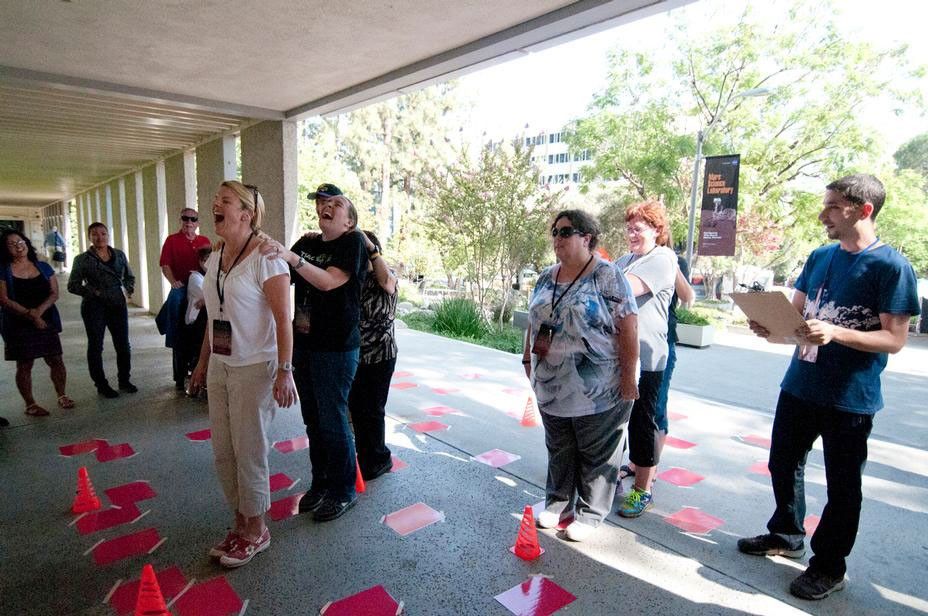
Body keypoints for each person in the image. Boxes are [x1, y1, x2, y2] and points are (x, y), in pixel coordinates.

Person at [737, 174, 920, 600]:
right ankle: (785, 533)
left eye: (833, 206)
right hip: (799, 384)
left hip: (850, 398)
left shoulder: (893, 267)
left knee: (843, 486)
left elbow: (894, 340)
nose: (823, 216)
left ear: (864, 210)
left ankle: (829, 566)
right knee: (782, 464)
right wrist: (771, 327)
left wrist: (836, 333)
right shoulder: (820, 256)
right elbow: (797, 318)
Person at [188, 181, 295, 568]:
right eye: (215, 199)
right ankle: (239, 524)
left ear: (246, 214)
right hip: (221, 364)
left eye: (225, 201)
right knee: (224, 451)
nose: (215, 205)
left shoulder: (267, 258)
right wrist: (202, 364)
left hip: (254, 366)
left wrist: (285, 370)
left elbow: (284, 319)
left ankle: (257, 530)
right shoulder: (216, 255)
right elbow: (212, 318)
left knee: (250, 451)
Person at [524, 209, 639, 542]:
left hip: (598, 386)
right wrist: (526, 359)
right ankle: (558, 503)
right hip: (551, 383)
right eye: (554, 232)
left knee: (596, 450)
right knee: (559, 447)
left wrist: (628, 379)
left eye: (565, 232)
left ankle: (590, 513)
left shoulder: (608, 275)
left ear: (586, 237)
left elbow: (629, 326)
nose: (557, 239)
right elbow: (534, 319)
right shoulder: (546, 276)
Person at [259, 183, 367, 522]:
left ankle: (343, 490)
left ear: (349, 219)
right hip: (304, 343)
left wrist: (291, 257)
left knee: (334, 420)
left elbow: (328, 281)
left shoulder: (353, 243)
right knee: (314, 420)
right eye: (321, 202)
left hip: (335, 349)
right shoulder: (307, 242)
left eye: (335, 203)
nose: (325, 206)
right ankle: (321, 482)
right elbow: (279, 273)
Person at [613, 200, 677, 518]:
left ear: (656, 230)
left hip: (648, 358)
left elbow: (623, 289)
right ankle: (609, 477)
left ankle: (643, 491)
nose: (632, 234)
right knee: (614, 422)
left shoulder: (663, 259)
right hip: (618, 356)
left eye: (638, 228)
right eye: (629, 228)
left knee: (642, 423)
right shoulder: (625, 259)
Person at [621, 252, 694, 483]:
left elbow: (688, 296)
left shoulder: (672, 260)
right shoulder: (630, 260)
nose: (633, 233)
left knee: (654, 410)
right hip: (630, 341)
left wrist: (670, 262)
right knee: (632, 412)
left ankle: (648, 473)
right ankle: (635, 463)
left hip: (660, 343)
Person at [1, 229, 74, 416]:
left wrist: (38, 313)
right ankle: (30, 403)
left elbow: (54, 293)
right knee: (25, 363)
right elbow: (4, 299)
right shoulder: (3, 271)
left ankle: (62, 395)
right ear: (4, 249)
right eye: (12, 244)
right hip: (18, 322)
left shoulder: (43, 266)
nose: (18, 246)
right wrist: (31, 316)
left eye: (21, 242)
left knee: (55, 359)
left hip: (46, 318)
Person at [348, 230, 398, 481]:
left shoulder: (386, 276)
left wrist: (369, 247)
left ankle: (379, 459)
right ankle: (364, 454)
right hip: (356, 354)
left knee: (373, 409)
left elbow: (387, 284)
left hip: (381, 354)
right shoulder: (353, 278)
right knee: (357, 408)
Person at [67, 223, 137, 398]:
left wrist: (127, 290)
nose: (100, 237)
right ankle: (101, 384)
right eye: (95, 234)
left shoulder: (119, 255)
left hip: (117, 304)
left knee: (123, 345)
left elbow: (129, 276)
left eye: (103, 233)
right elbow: (73, 285)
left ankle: (124, 379)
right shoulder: (82, 259)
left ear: (108, 235)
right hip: (94, 306)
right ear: (89, 236)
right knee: (96, 346)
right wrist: (93, 292)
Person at [159, 208, 212, 389]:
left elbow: (212, 261)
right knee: (175, 300)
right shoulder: (172, 240)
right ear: (180, 220)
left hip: (202, 282)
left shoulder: (204, 241)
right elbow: (165, 263)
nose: (189, 222)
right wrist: (173, 281)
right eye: (185, 218)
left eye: (193, 219)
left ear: (197, 222)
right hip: (183, 283)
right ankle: (173, 336)